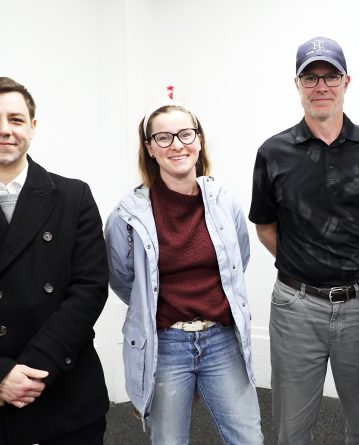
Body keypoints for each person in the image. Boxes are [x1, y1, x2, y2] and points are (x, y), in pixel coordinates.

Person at [0, 77, 109, 444]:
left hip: (63, 388)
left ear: (32, 126)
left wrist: (36, 368)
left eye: (15, 119)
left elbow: (89, 290)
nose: (4, 129)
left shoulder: (73, 196)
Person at [250, 36, 359, 444]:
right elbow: (265, 226)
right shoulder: (273, 153)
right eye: (310, 78)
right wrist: (305, 265)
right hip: (296, 308)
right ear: (297, 85)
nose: (321, 87)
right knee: (292, 429)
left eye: (330, 76)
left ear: (346, 82)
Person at [105, 92, 263, 444]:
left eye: (185, 134)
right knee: (169, 440)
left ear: (199, 140)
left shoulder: (224, 202)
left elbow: (238, 261)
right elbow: (124, 281)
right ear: (150, 148)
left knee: (248, 438)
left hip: (221, 339)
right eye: (163, 137)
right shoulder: (127, 216)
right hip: (166, 344)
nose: (176, 145)